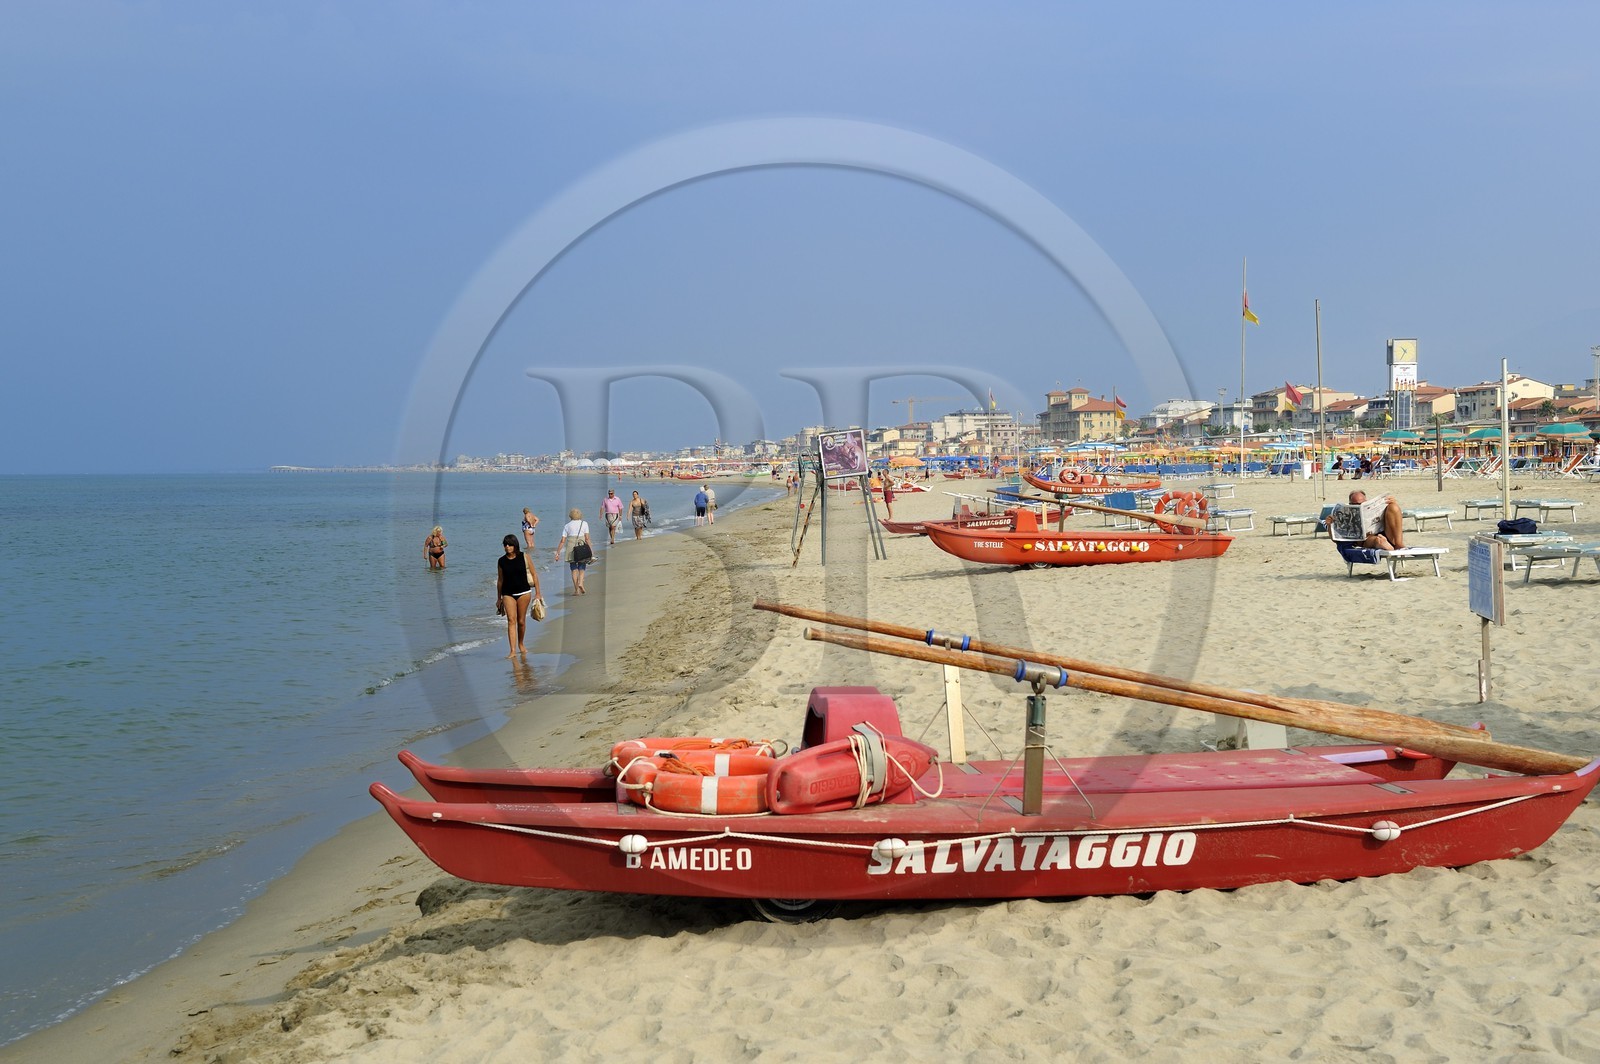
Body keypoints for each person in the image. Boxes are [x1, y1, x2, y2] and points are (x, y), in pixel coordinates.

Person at [496, 534, 539, 658]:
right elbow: (500, 580)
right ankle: (512, 650)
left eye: (509, 544)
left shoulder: (524, 557)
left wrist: (538, 593)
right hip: (507, 593)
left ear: (515, 545)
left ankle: (521, 644)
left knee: (521, 621)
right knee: (511, 620)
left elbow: (534, 574)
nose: (507, 547)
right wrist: (499, 598)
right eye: (505, 545)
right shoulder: (501, 561)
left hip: (524, 593)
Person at [555, 508, 593, 594]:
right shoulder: (584, 523)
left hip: (571, 548)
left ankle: (576, 590)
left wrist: (558, 553)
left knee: (573, 568)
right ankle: (581, 583)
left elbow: (562, 541)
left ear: (570, 516)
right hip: (582, 546)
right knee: (582, 565)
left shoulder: (567, 526)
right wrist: (591, 550)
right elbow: (587, 539)